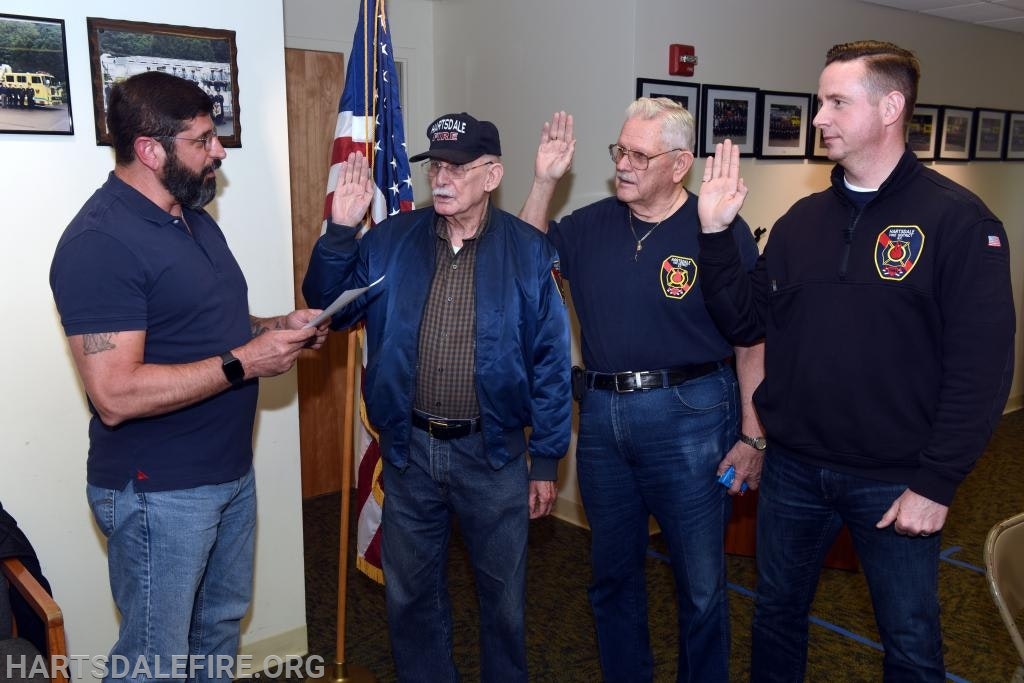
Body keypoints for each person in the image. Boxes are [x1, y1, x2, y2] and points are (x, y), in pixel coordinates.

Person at [696, 41, 1015, 681]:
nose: (818, 117)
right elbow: (747, 322)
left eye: (837, 101)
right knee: (776, 617)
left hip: (896, 480)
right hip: (794, 471)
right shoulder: (799, 223)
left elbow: (980, 370)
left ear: (891, 106)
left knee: (910, 643)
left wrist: (937, 481)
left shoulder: (958, 222)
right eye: (820, 102)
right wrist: (714, 234)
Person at [49, 71, 329, 682]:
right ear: (151, 150)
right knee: (155, 660)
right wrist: (245, 363)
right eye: (203, 140)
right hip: (159, 491)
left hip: (227, 472)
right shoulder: (100, 243)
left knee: (218, 629)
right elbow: (114, 393)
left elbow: (208, 326)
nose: (219, 152)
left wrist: (276, 325)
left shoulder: (192, 217)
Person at [302, 112, 572, 682]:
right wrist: (339, 233)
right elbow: (329, 305)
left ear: (493, 174)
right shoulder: (390, 241)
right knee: (411, 598)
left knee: (503, 604)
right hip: (410, 452)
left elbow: (551, 364)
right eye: (436, 167)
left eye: (458, 167)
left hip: (492, 455)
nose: (442, 179)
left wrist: (545, 458)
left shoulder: (528, 252)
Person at [519, 98, 767, 682]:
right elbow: (522, 262)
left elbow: (752, 339)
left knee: (700, 585)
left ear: (680, 165)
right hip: (603, 417)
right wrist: (543, 182)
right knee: (612, 577)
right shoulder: (591, 224)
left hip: (693, 414)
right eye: (619, 150)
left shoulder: (716, 231)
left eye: (639, 155)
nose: (623, 164)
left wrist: (754, 438)